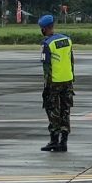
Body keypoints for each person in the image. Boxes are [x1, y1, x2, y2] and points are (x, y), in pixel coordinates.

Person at [38, 14, 74, 152]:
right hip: (68, 80)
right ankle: (64, 141)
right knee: (65, 110)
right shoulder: (67, 39)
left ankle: (54, 140)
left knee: (53, 110)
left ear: (44, 29)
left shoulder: (47, 43)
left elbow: (46, 67)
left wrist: (46, 86)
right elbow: (71, 60)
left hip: (54, 82)